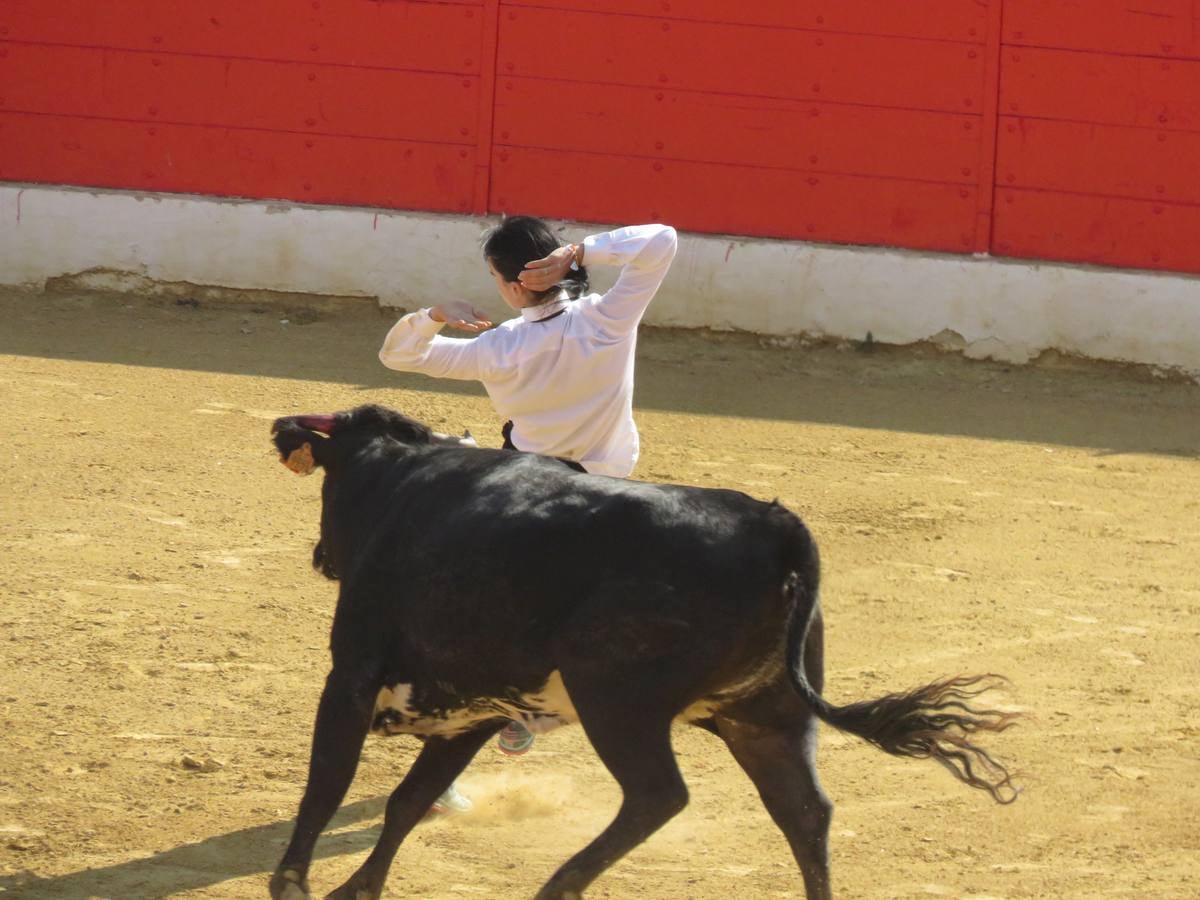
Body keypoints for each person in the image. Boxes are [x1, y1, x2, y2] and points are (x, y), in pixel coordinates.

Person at [378, 215, 678, 813]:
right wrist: (580, 250)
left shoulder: (498, 347)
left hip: (529, 507)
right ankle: (532, 712)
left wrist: (433, 314)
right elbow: (662, 240)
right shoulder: (608, 318)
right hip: (611, 507)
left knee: (468, 634)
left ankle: (474, 745)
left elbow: (398, 356)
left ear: (510, 283)